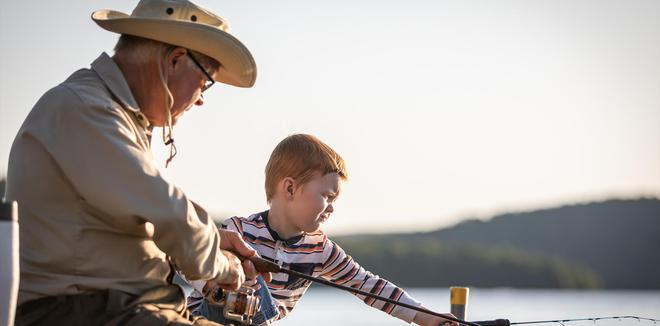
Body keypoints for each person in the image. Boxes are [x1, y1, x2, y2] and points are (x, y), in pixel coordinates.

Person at [5, 0, 268, 325]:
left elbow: (151, 211)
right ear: (175, 59)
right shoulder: (84, 108)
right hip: (86, 311)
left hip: (123, 310)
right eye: (204, 84)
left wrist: (210, 240)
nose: (201, 99)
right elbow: (167, 210)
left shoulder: (103, 111)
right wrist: (222, 263)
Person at [188, 134, 458, 326]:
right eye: (327, 196)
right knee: (246, 275)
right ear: (290, 188)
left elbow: (369, 286)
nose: (331, 208)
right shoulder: (239, 231)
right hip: (201, 319)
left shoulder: (320, 250)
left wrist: (427, 317)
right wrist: (217, 280)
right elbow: (190, 263)